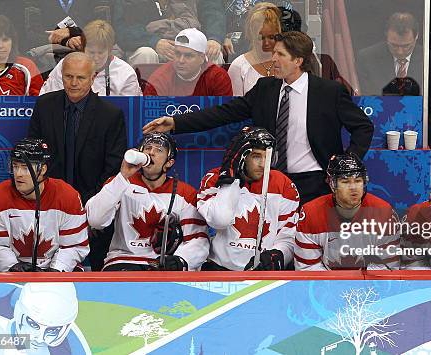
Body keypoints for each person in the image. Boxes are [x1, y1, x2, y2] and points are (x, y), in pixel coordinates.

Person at [144, 31, 373, 203]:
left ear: (298, 61)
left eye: (280, 54)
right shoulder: (266, 88)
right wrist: (176, 122)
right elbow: (225, 113)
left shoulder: (329, 92)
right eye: (273, 53)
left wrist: (345, 162)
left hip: (314, 182)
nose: (272, 59)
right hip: (268, 180)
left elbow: (363, 127)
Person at [28, 52, 127, 271]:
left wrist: (91, 211)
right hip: (49, 207)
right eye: (68, 76)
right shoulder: (44, 106)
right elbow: (34, 158)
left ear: (93, 78)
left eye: (80, 78)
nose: (73, 83)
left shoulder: (110, 115)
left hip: (94, 209)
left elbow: (112, 168)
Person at [86, 133, 209, 271]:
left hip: (163, 266)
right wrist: (123, 176)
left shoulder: (184, 192)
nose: (151, 152)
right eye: (147, 148)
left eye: (159, 150)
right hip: (122, 261)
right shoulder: (120, 183)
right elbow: (95, 220)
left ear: (169, 162)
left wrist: (181, 260)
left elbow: (198, 238)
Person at [0, 139, 89, 272]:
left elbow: (73, 246)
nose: (18, 174)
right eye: (15, 166)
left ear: (43, 169)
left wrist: (56, 271)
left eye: (25, 167)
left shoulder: (68, 196)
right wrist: (13, 266)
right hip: (8, 271)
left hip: (56, 271)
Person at [197, 127, 299, 271]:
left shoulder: (284, 185)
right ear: (241, 156)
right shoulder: (214, 178)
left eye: (267, 156)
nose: (263, 164)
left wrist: (278, 255)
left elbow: (288, 237)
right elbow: (219, 220)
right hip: (218, 270)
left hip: (263, 274)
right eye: (256, 156)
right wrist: (229, 179)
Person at [294, 153, 400, 270]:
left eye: (358, 180)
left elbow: (388, 268)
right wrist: (333, 286)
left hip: (368, 287)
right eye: (345, 182)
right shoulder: (311, 213)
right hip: (326, 287)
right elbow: (307, 268)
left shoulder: (384, 214)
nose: (353, 187)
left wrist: (358, 286)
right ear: (332, 184)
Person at [0, 283, 89, 353]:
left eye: (52, 330)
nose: (39, 338)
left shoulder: (68, 349)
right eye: (33, 324)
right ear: (21, 314)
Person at [39, 20, 142, 96]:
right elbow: (47, 100)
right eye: (91, 52)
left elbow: (131, 111)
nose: (95, 58)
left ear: (110, 51)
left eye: (100, 53)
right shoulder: (65, 65)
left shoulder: (126, 73)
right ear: (83, 48)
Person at [143, 28, 232, 96]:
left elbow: (226, 115)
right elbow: (150, 117)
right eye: (178, 54)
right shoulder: (159, 79)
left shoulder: (218, 77)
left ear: (202, 58)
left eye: (188, 56)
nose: (181, 60)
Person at [112, 0, 200, 65]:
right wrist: (155, 42)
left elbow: (193, 24)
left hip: (181, 42)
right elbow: (124, 31)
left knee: (210, 53)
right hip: (142, 45)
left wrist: (158, 26)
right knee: (146, 53)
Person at [357, 12, 424, 96]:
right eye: (394, 45)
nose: (400, 51)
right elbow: (365, 97)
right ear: (386, 36)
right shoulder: (367, 58)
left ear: (416, 36)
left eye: (406, 46)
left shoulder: (430, 62)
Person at [228, 3, 282, 95]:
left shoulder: (287, 63)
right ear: (251, 35)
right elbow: (235, 107)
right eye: (260, 38)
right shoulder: (238, 66)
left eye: (271, 37)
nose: (266, 43)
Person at [0, 15, 43, 96]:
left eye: (5, 40)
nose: (0, 45)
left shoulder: (27, 66)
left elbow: (39, 102)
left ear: (12, 41)